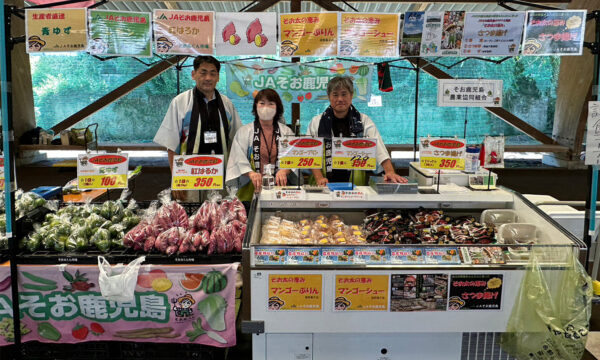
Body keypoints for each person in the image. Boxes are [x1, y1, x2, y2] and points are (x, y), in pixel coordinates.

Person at [154, 56, 242, 200]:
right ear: (193, 74)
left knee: (220, 218)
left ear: (218, 77)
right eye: (203, 72)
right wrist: (177, 180)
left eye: (213, 73)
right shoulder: (181, 102)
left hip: (221, 178)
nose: (208, 77)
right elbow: (171, 144)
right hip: (189, 177)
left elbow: (237, 141)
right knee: (191, 218)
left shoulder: (227, 104)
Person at [307, 76, 407, 186]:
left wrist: (390, 171)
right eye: (335, 95)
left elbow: (378, 147)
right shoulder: (317, 122)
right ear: (329, 97)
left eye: (344, 94)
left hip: (355, 186)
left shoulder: (363, 121)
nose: (340, 99)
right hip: (323, 184)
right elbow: (310, 153)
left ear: (351, 95)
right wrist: (319, 178)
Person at [226, 89, 295, 200]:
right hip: (251, 187)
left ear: (277, 107)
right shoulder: (244, 132)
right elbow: (238, 158)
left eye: (271, 104)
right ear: (255, 106)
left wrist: (284, 170)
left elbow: (293, 159)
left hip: (280, 188)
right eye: (262, 103)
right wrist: (251, 173)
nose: (266, 108)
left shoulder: (286, 132)